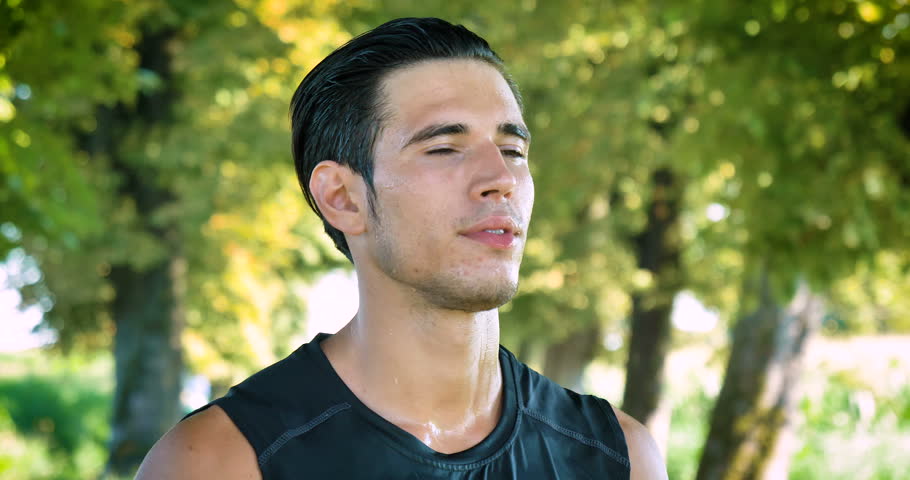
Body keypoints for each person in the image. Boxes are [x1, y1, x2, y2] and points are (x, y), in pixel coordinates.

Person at [135, 17, 667, 479]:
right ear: (342, 198)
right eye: (443, 148)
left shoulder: (620, 459)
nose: (500, 177)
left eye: (513, 149)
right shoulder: (219, 461)